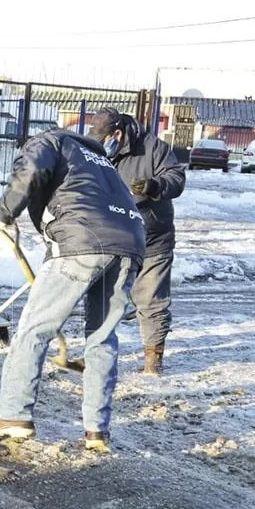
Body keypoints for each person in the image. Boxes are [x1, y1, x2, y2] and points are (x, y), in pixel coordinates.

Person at [0, 128, 145, 453]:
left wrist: (3, 212)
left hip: (81, 240)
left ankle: (13, 416)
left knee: (34, 329)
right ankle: (97, 431)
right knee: (102, 337)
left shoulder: (48, 140)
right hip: (131, 240)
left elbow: (33, 169)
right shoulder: (101, 160)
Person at [89, 108, 185, 375]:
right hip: (114, 237)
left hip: (153, 236)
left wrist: (154, 186)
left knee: (151, 299)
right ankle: (97, 355)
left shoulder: (154, 148)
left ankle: (153, 361)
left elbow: (177, 179)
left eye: (104, 138)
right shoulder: (95, 152)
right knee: (105, 299)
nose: (100, 145)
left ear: (117, 134)